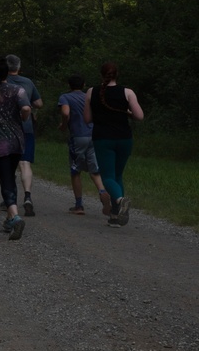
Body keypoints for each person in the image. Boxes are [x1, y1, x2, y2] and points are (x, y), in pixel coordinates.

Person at [83, 62, 144, 227]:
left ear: (101, 75)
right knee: (117, 175)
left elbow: (87, 119)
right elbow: (139, 116)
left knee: (107, 177)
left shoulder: (91, 92)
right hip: (124, 138)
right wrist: (128, 113)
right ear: (117, 75)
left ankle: (120, 200)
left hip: (103, 138)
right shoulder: (127, 92)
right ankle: (116, 216)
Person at [0, 58, 31, 240]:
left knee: (5, 179)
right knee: (10, 176)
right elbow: (26, 107)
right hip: (17, 140)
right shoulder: (18, 90)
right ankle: (10, 218)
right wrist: (24, 117)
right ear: (8, 73)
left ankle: (15, 217)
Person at [58, 74, 109, 215]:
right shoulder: (90, 96)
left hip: (78, 136)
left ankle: (79, 205)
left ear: (69, 85)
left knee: (75, 171)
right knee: (94, 169)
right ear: (84, 84)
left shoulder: (65, 97)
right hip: (93, 135)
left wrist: (63, 124)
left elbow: (65, 112)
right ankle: (102, 191)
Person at [5, 54, 43, 216]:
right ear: (19, 67)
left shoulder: (1, 82)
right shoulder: (27, 82)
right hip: (26, 128)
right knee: (25, 163)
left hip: (6, 129)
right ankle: (27, 196)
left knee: (8, 165)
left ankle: (9, 197)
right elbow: (39, 103)